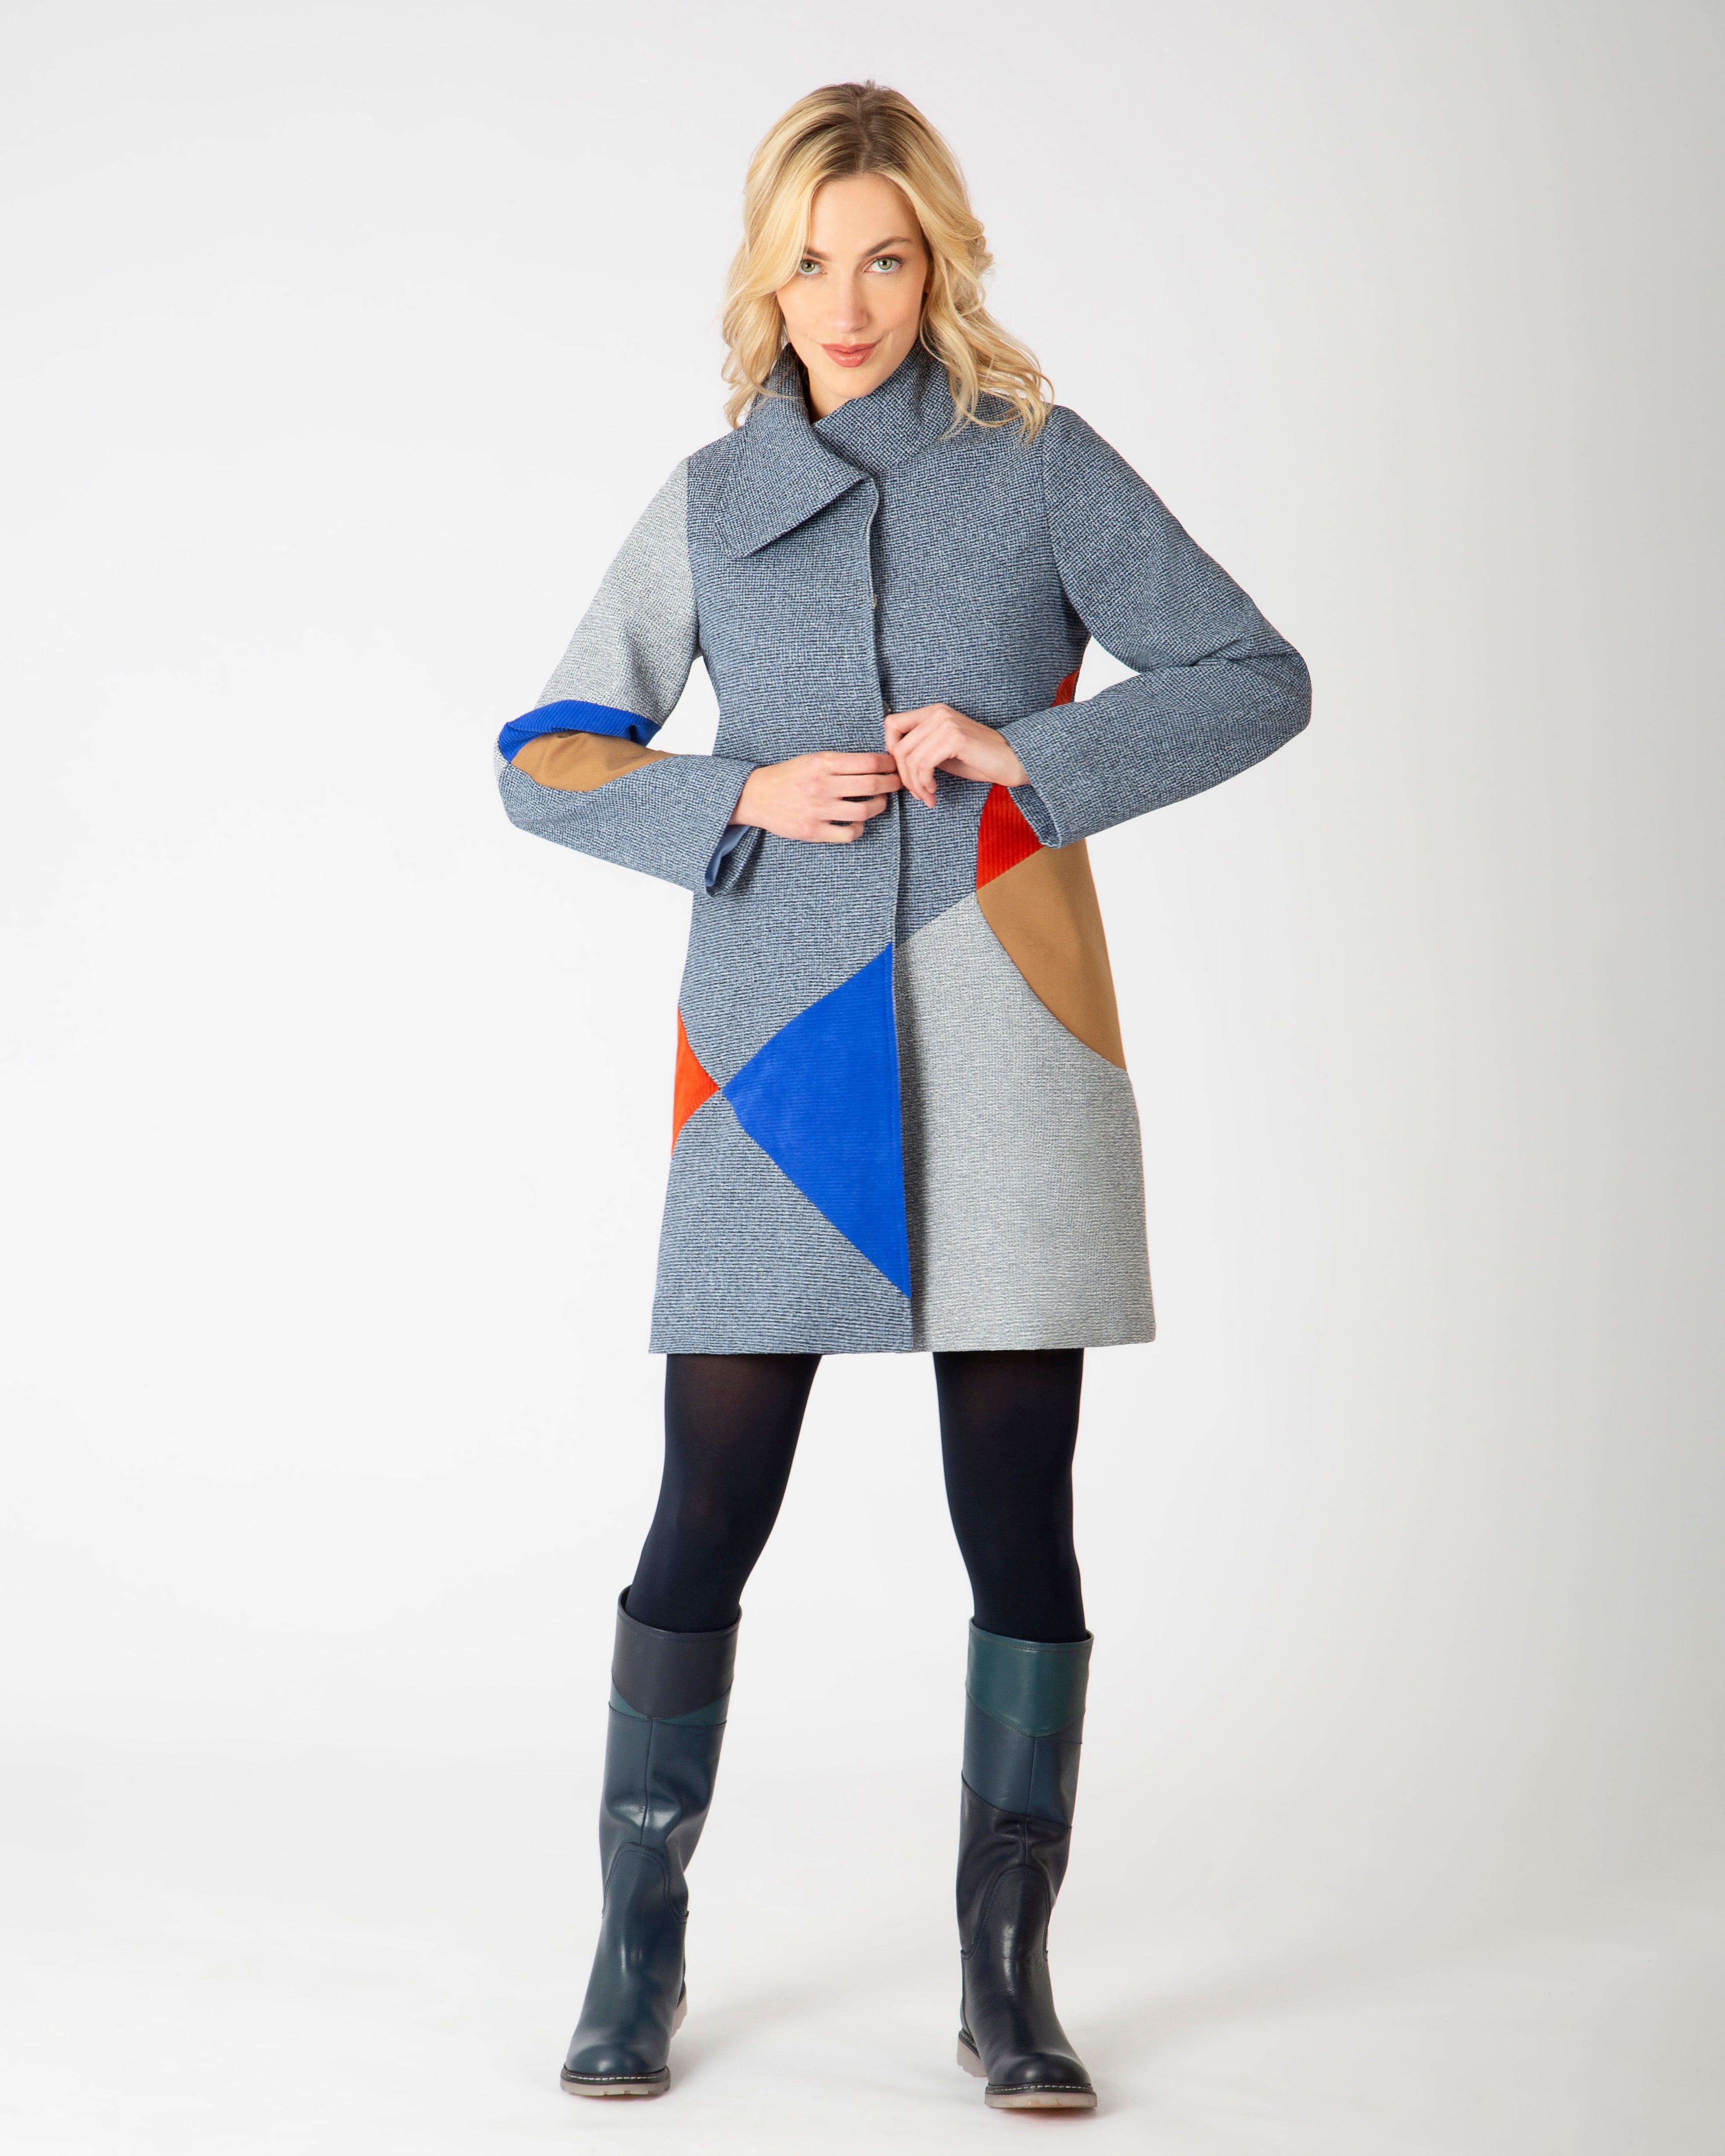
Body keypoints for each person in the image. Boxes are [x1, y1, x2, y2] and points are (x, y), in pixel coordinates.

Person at [494, 80, 1309, 2111]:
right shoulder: (706, 499)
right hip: (769, 1066)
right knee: (704, 1509)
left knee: (1018, 1522)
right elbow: (545, 757)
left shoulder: (1036, 465)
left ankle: (1004, 1971)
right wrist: (730, 794)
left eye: (880, 256)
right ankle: (634, 1942)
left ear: (933, 260)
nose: (845, 301)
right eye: (808, 261)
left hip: (1010, 1041)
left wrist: (1039, 752)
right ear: (761, 278)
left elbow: (1250, 673)